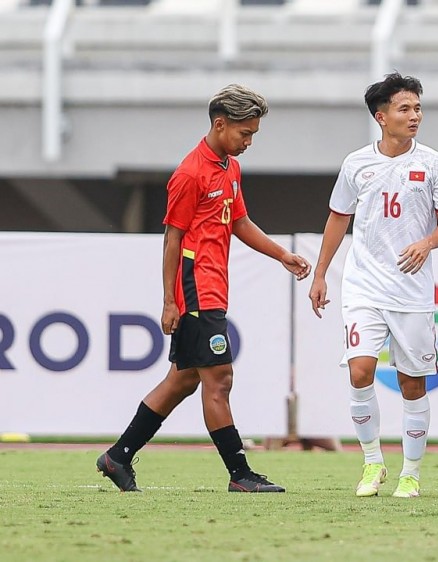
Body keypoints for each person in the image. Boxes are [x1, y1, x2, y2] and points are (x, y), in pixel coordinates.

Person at [96, 84, 312, 493]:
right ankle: (240, 474)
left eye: (253, 134)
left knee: (183, 380)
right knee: (220, 378)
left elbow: (240, 223)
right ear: (220, 123)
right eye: (244, 133)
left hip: (213, 286)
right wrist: (168, 301)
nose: (249, 142)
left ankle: (117, 457)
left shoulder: (230, 168)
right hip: (195, 289)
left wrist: (281, 255)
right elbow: (171, 239)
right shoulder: (190, 173)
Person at [309, 73, 438, 499]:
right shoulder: (357, 164)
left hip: (411, 291)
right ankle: (373, 463)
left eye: (417, 108)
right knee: (360, 371)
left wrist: (426, 244)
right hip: (364, 286)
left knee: (413, 383)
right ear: (381, 116)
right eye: (405, 109)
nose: (414, 116)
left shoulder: (434, 164)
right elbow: (339, 217)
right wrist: (320, 273)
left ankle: (411, 472)